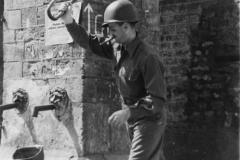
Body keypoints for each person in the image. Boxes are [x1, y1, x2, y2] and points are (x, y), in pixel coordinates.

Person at [60, 0, 167, 159]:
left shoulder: (148, 58)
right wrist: (68, 20)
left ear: (126, 26)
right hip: (133, 119)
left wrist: (128, 112)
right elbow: (89, 41)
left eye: (113, 29)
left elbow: (157, 99)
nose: (110, 34)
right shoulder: (116, 46)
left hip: (149, 121)